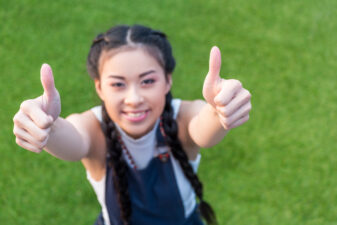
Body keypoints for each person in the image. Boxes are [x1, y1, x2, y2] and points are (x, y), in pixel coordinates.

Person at [13, 24, 252, 225]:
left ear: (168, 81)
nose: (134, 99)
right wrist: (48, 127)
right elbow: (73, 140)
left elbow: (204, 128)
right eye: (118, 84)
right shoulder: (93, 127)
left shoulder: (182, 116)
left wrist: (220, 110)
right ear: (99, 87)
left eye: (147, 81)